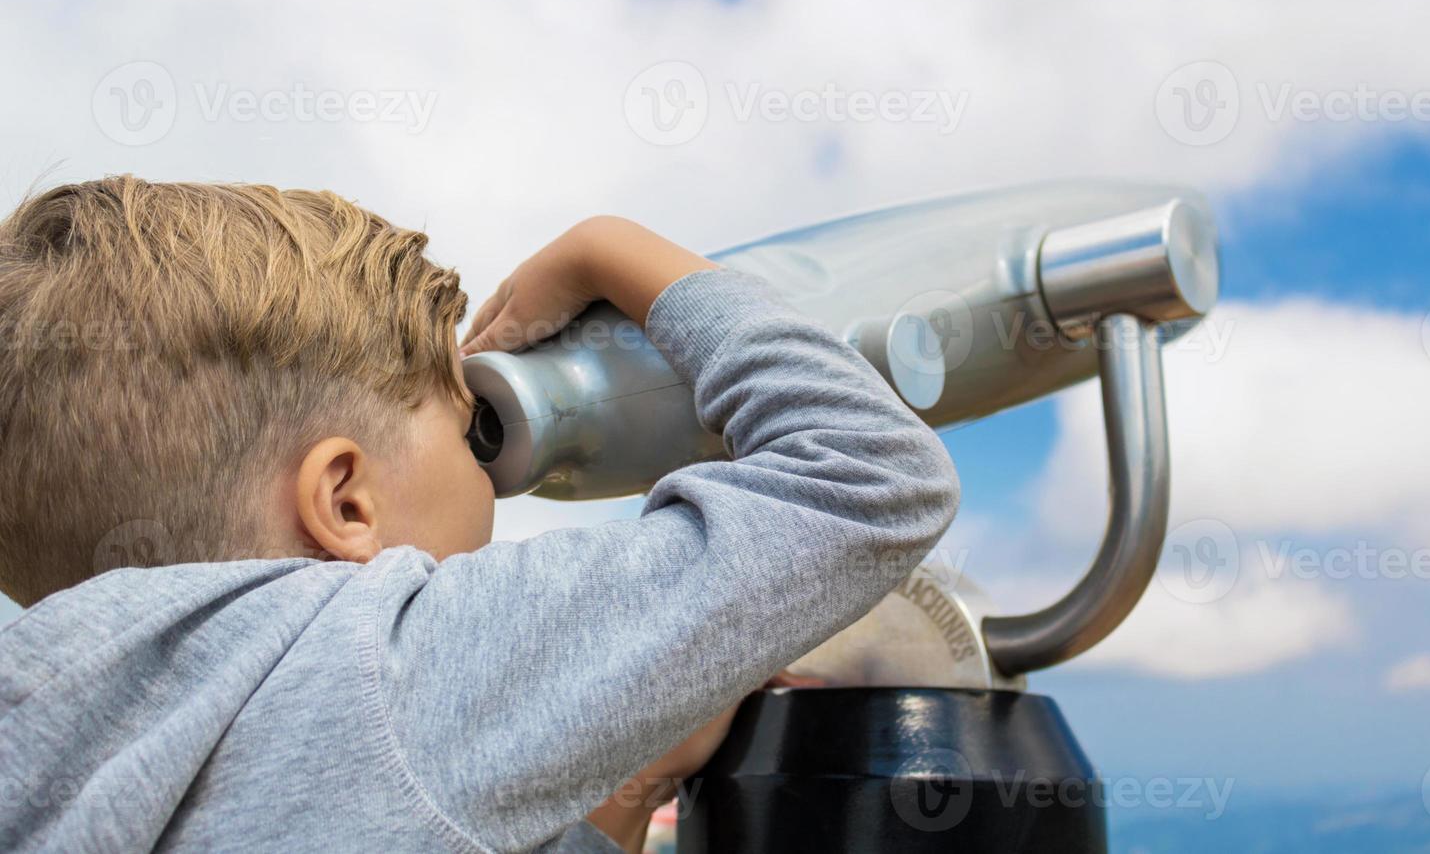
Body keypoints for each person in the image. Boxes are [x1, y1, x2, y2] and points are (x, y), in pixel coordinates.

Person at [0, 177, 961, 852]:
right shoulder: (384, 661)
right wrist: (610, 249)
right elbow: (869, 476)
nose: (497, 479)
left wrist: (636, 769)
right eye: (473, 436)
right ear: (345, 501)